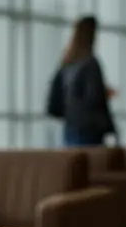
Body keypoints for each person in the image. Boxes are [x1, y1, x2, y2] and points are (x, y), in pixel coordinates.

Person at [46, 16, 118, 147]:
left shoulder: (67, 64)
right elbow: (94, 99)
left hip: (70, 127)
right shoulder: (90, 64)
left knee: (75, 164)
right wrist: (104, 93)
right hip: (89, 130)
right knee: (92, 166)